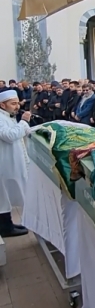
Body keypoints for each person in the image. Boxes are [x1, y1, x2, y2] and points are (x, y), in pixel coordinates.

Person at [0, 90, 31, 237]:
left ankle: (8, 223)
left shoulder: (8, 116)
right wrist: (24, 122)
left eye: (17, 103)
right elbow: (10, 135)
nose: (17, 106)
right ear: (2, 105)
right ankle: (5, 227)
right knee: (3, 196)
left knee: (7, 195)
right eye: (13, 104)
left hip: (11, 161)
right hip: (4, 163)